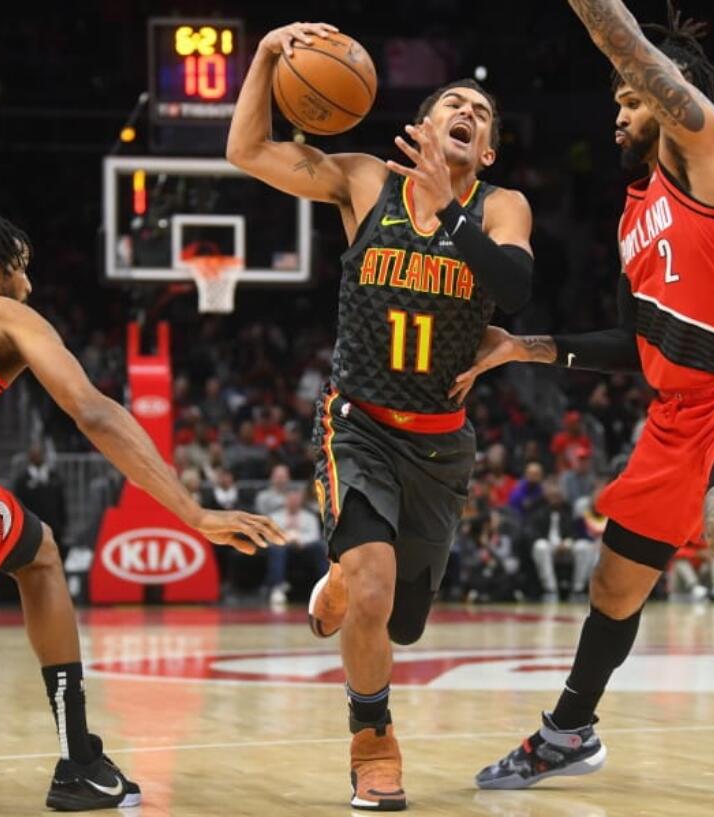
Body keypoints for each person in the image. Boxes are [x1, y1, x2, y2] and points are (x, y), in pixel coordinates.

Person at [455, 3, 714, 804]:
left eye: (628, 100)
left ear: (667, 94)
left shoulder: (705, 157)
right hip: (673, 422)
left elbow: (628, 46)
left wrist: (611, 33)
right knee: (613, 588)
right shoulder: (636, 215)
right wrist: (520, 348)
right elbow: (643, 345)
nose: (618, 113)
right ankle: (569, 731)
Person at [0, 215, 285, 811]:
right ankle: (79, 762)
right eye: (21, 268)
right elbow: (92, 412)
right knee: (38, 559)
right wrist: (192, 512)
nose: (30, 286)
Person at [227, 22, 534, 811]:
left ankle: (337, 583)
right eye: (451, 104)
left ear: (486, 151)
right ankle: (373, 743)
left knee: (399, 622)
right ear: (423, 128)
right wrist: (265, 54)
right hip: (358, 423)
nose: (466, 110)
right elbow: (248, 152)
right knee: (372, 589)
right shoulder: (367, 181)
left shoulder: (503, 208)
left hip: (440, 447)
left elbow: (520, 289)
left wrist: (453, 212)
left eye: (481, 113)